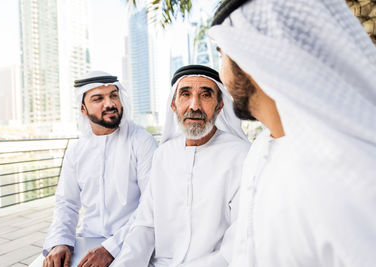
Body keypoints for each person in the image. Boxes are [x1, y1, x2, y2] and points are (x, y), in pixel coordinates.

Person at [208, 0, 376, 266]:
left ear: (250, 56)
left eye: (222, 54)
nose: (222, 73)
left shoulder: (349, 176)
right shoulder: (261, 150)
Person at [111, 65, 251, 267]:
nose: (194, 105)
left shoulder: (241, 156)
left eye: (205, 95)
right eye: (185, 94)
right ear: (173, 105)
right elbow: (145, 225)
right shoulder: (163, 155)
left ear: (220, 106)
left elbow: (238, 241)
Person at [42, 71, 158, 267]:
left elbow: (152, 205)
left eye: (113, 95)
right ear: (83, 109)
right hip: (87, 240)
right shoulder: (76, 151)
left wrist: (111, 249)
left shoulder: (142, 142)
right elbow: (66, 203)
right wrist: (60, 242)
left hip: (134, 241)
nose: (110, 103)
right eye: (98, 99)